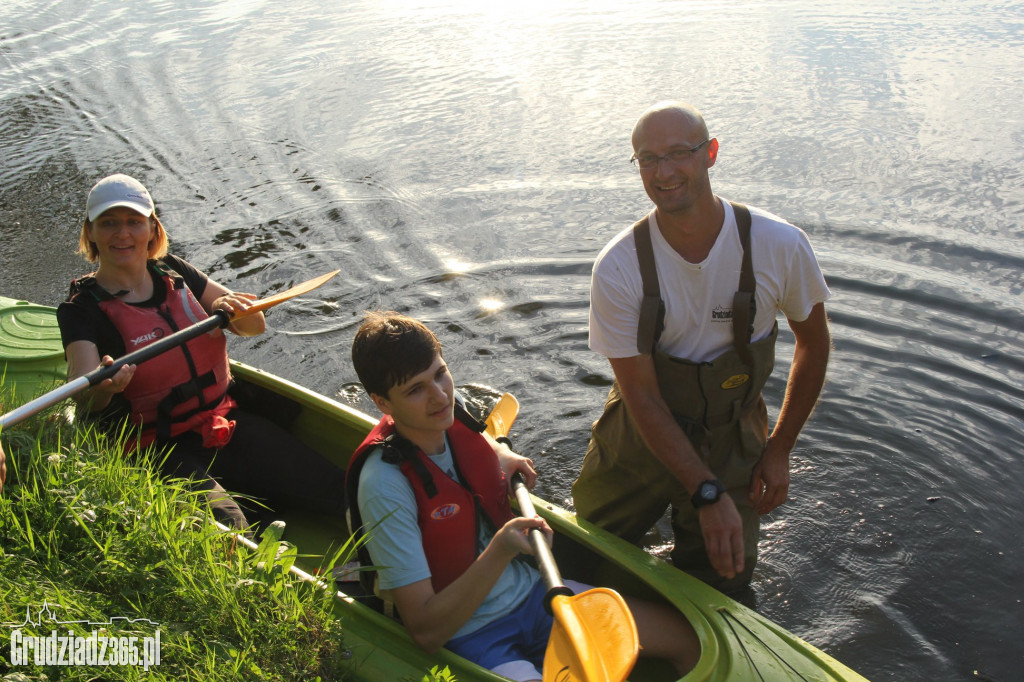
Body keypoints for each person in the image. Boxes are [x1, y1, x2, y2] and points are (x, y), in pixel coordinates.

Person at [346, 311, 699, 682]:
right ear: (382, 403)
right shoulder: (384, 485)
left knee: (686, 640)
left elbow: (475, 444)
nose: (439, 396)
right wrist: (502, 548)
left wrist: (501, 455)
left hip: (532, 595)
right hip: (470, 637)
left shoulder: (449, 416)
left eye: (440, 373)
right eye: (415, 389)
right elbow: (425, 630)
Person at [572, 101, 832, 593]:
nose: (664, 172)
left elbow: (814, 346)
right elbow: (642, 396)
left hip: (733, 437)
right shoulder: (619, 266)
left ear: (711, 153)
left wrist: (779, 449)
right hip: (638, 433)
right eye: (647, 159)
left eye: (679, 153)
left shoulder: (780, 245)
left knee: (724, 584)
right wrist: (705, 493)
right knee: (578, 560)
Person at [56, 173, 346, 534]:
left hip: (221, 423)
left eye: (133, 222)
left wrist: (232, 308)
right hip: (155, 447)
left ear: (152, 228)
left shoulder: (174, 272)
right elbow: (81, 401)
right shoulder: (81, 310)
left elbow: (255, 326)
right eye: (109, 223)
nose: (123, 234)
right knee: (232, 528)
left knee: (338, 488)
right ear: (92, 232)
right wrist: (104, 388)